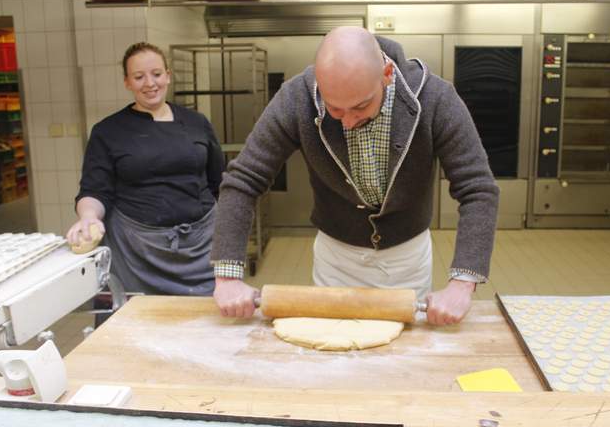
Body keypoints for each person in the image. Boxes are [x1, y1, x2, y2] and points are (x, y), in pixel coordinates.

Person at [211, 27, 499, 325]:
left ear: (386, 74)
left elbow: (477, 188)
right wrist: (228, 274)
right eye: (334, 109)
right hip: (337, 259)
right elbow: (244, 180)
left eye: (361, 105)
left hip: (406, 259)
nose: (347, 122)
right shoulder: (297, 97)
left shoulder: (436, 98)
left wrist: (462, 283)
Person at [67, 42, 224, 296]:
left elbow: (218, 182)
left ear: (168, 76)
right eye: (139, 77)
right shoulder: (108, 131)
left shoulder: (197, 123)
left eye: (157, 74)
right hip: (138, 252)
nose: (150, 83)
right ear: (127, 82)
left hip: (201, 247)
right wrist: (88, 216)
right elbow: (94, 189)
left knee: (205, 321)